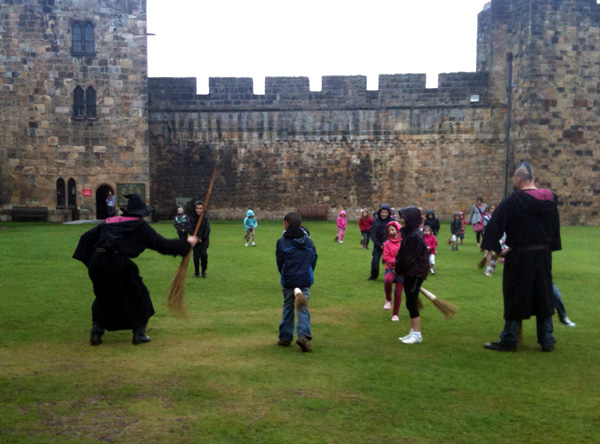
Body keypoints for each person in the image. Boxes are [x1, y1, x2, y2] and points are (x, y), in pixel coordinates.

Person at [73, 193, 198, 346]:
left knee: (103, 296)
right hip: (118, 263)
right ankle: (139, 334)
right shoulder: (139, 226)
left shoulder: (108, 222)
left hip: (98, 263)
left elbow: (85, 239)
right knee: (140, 296)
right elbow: (163, 245)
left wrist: (92, 262)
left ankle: (96, 333)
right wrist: (187, 244)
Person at [482, 162, 561, 352]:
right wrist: (549, 247)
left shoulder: (513, 201)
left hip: (519, 256)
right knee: (543, 294)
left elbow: (494, 226)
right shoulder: (549, 200)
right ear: (534, 179)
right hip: (542, 255)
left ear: (518, 179)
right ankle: (546, 339)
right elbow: (554, 228)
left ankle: (509, 339)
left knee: (516, 295)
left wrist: (495, 248)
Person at [276, 211, 318, 352]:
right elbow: (313, 259)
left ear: (285, 224)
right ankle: (303, 335)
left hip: (289, 279)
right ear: (300, 225)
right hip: (304, 279)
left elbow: (280, 262)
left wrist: (286, 274)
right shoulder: (309, 241)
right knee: (302, 306)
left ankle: (285, 337)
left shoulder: (282, 242)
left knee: (288, 307)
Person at [395, 207, 429, 344]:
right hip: (410, 273)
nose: (402, 220)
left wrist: (398, 269)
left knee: (411, 302)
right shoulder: (410, 234)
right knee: (410, 301)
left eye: (404, 217)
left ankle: (417, 334)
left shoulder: (415, 236)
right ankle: (413, 331)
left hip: (415, 274)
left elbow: (407, 258)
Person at [382, 221, 404, 321]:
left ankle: (395, 314)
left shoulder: (404, 242)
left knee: (398, 292)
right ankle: (388, 300)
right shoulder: (387, 244)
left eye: (392, 229)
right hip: (390, 268)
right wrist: (394, 262)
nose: (391, 232)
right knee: (388, 280)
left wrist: (401, 264)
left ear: (397, 229)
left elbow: (406, 256)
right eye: (389, 231)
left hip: (402, 271)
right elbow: (385, 257)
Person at [368, 204, 393, 281]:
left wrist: (386, 244)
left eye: (386, 212)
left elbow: (394, 233)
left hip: (390, 245)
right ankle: (374, 276)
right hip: (378, 245)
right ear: (380, 212)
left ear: (388, 213)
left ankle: (391, 277)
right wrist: (379, 244)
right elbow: (373, 234)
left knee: (390, 262)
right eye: (382, 212)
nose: (384, 214)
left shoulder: (392, 221)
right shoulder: (376, 221)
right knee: (375, 261)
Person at [188, 200, 210, 278]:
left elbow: (207, 230)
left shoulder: (205, 219)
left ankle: (203, 271)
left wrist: (202, 238)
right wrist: (196, 238)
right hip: (195, 241)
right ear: (195, 209)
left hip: (204, 241)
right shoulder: (192, 219)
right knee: (196, 257)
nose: (199, 210)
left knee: (204, 255)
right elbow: (190, 229)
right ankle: (196, 272)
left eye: (200, 208)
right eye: (197, 208)